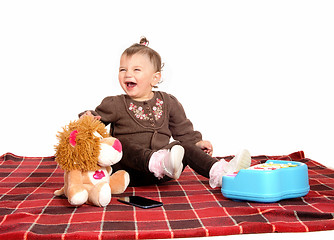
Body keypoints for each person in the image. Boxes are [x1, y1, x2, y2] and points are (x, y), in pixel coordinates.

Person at [80, 37, 251, 188]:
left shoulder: (168, 101)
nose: (127, 74)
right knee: (120, 143)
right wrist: (87, 118)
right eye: (122, 69)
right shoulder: (115, 103)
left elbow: (183, 131)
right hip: (128, 172)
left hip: (164, 172)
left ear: (155, 78)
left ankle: (223, 173)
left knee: (183, 147)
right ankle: (156, 161)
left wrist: (196, 143)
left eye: (136, 70)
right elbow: (94, 124)